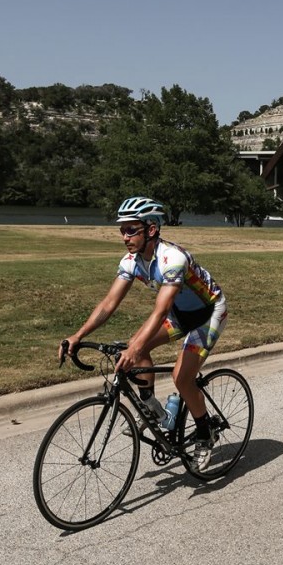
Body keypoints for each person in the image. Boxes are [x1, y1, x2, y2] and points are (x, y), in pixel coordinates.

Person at [60, 196, 228, 471]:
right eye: (122, 230)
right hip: (180, 313)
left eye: (131, 230)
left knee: (180, 376)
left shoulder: (172, 259)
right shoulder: (131, 261)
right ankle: (151, 405)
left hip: (208, 313)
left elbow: (160, 312)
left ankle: (204, 431)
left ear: (151, 229)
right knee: (136, 349)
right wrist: (78, 335)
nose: (125, 237)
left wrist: (135, 348)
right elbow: (108, 304)